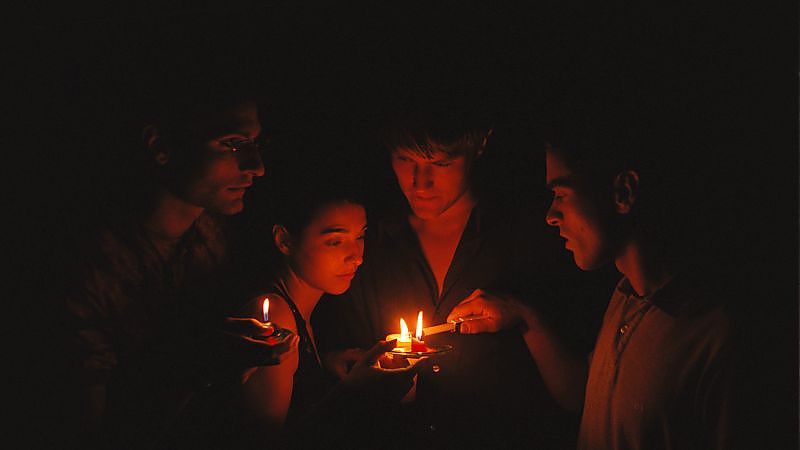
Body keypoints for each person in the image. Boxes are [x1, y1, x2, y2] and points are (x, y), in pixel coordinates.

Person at [447, 98, 748, 449]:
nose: (550, 216)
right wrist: (524, 317)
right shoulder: (627, 297)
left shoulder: (714, 334)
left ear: (623, 193)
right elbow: (584, 395)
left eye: (561, 193)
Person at [312, 103, 615, 449]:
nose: (420, 183)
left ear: (480, 144)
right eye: (405, 159)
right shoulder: (367, 246)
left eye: (441, 164)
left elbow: (582, 396)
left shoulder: (536, 237)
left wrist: (525, 317)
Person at [53, 78, 299, 450]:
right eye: (232, 143)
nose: (257, 166)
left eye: (255, 144)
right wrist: (197, 369)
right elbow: (89, 434)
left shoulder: (215, 237)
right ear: (161, 146)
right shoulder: (90, 271)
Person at [224, 168, 426, 449]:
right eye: (335, 241)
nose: (356, 257)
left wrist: (326, 366)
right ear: (284, 240)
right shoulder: (272, 318)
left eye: (360, 236)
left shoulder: (303, 313)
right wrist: (354, 392)